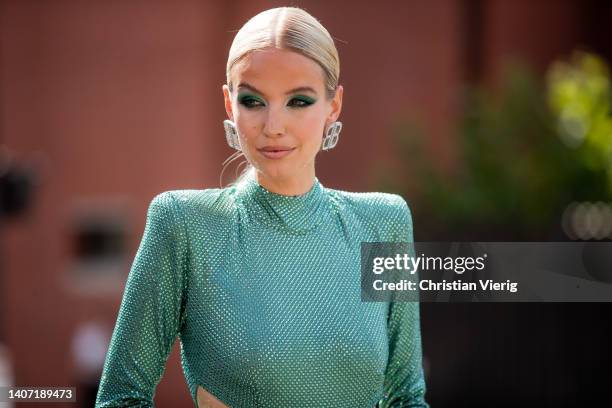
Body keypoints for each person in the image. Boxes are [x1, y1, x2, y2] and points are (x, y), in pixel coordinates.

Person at [95, 6, 428, 408]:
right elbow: (120, 398)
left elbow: (407, 397)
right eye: (253, 100)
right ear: (228, 103)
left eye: (299, 101)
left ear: (333, 106)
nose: (273, 126)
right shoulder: (184, 225)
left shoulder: (384, 223)